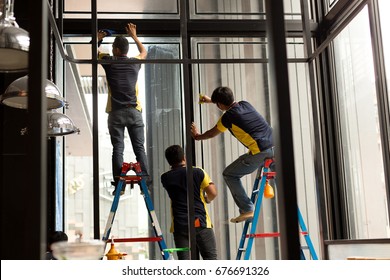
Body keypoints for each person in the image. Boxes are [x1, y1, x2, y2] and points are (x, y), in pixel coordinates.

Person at [191, 86, 274, 223]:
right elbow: (227, 103)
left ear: (220, 104)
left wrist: (197, 136)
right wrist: (211, 101)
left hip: (261, 152)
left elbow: (212, 133)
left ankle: (247, 209)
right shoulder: (245, 104)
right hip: (275, 147)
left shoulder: (228, 118)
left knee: (229, 174)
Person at [97, 23, 149, 195]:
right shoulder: (135, 63)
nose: (112, 50)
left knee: (117, 148)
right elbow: (144, 53)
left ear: (117, 50)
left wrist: (98, 39)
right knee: (139, 148)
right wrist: (134, 36)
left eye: (113, 48)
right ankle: (145, 182)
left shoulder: (109, 62)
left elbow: (93, 53)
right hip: (134, 112)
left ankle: (120, 186)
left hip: (116, 113)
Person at [161, 145, 218, 260]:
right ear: (184, 157)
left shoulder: (166, 178)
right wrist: (207, 199)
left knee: (185, 263)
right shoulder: (197, 172)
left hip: (179, 225)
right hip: (199, 221)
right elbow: (213, 193)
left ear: (169, 161)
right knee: (211, 259)